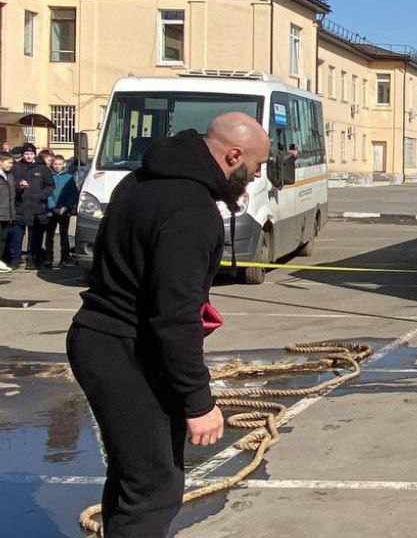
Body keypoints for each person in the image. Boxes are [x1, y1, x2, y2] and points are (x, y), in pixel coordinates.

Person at [67, 113, 270, 536]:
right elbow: (173, 318)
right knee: (154, 484)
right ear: (234, 156)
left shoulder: (139, 181)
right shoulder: (193, 211)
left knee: (134, 475)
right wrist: (199, 403)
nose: (255, 177)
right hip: (126, 347)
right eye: (255, 166)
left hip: (101, 338)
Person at [8, 143, 54, 270]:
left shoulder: (42, 168)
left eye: (31, 154)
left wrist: (42, 195)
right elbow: (10, 185)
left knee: (35, 238)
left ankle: (32, 261)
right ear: (22, 155)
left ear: (34, 154)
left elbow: (50, 185)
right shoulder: (16, 168)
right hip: (20, 208)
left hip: (37, 209)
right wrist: (19, 187)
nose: (28, 156)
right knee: (16, 238)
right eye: (26, 154)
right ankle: (15, 261)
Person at [45, 154, 79, 268]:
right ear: (52, 165)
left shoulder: (69, 177)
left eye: (60, 164)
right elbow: (47, 193)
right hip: (51, 210)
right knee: (49, 236)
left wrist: (67, 206)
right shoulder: (49, 176)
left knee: (64, 235)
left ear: (64, 165)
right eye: (55, 164)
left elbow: (73, 194)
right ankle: (49, 258)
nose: (57, 166)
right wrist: (52, 206)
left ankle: (64, 257)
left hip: (64, 210)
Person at [0, 154, 15, 273]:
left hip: (7, 213)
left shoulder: (9, 176)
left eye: (12, 163)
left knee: (3, 239)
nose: (11, 165)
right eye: (8, 162)